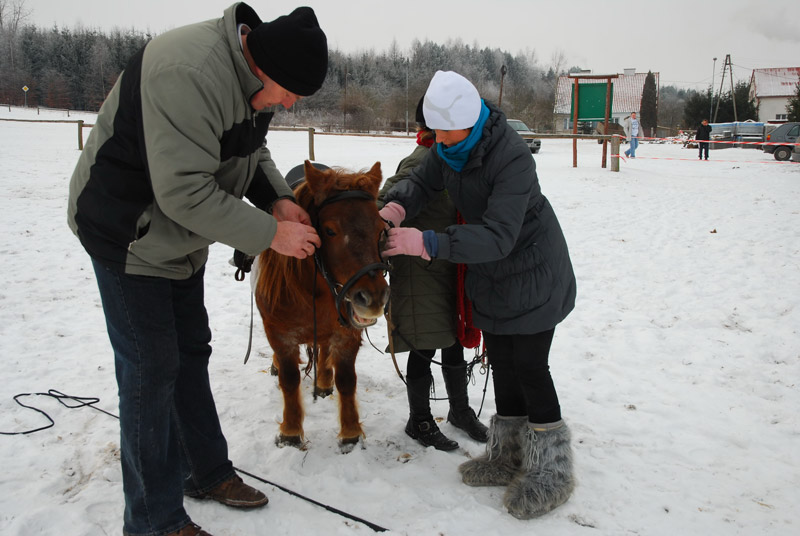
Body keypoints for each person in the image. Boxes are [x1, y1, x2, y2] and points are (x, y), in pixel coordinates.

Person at [66, 4, 327, 535]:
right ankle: (153, 521)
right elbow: (184, 192)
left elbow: (251, 150)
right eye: (291, 91)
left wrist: (278, 200)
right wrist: (272, 235)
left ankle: (204, 472)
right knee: (150, 370)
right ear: (263, 64)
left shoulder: (253, 77)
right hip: (129, 231)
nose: (292, 102)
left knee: (189, 353)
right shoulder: (189, 74)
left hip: (176, 238)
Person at [379, 71, 577, 519]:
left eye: (446, 131)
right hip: (492, 276)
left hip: (531, 269)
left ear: (469, 121)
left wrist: (427, 242)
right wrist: (393, 207)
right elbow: (424, 182)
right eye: (436, 131)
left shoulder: (511, 158)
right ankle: (507, 455)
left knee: (529, 364)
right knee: (503, 362)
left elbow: (500, 236)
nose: (439, 139)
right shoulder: (449, 148)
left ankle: (552, 469)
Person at [377, 97, 488, 452]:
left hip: (447, 262)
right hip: (419, 269)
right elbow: (385, 202)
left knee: (454, 339)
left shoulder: (452, 155)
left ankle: (459, 409)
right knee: (423, 345)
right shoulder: (421, 160)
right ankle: (419, 419)